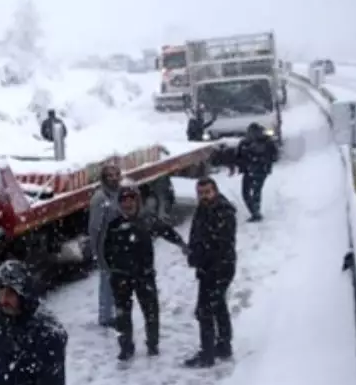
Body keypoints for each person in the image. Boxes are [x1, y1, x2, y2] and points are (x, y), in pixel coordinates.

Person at [103, 182, 189, 360]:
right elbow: (106, 249)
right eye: (124, 201)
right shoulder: (114, 224)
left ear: (137, 202)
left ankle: (153, 344)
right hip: (121, 277)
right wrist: (113, 269)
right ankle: (126, 347)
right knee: (122, 316)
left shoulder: (147, 219)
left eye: (131, 200)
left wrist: (181, 244)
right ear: (120, 204)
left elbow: (167, 231)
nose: (128, 204)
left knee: (151, 311)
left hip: (144, 275)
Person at [185, 177, 238, 368]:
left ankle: (207, 354)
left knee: (205, 310)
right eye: (200, 193)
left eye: (207, 192)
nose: (204, 196)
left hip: (218, 268)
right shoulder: (204, 209)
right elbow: (197, 235)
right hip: (210, 267)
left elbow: (219, 244)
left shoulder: (223, 211)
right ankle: (223, 345)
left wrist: (201, 258)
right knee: (218, 305)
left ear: (215, 191)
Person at [86, 161, 122, 327]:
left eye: (116, 175)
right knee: (107, 282)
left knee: (116, 281)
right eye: (110, 176)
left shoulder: (118, 193)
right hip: (105, 247)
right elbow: (95, 228)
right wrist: (97, 251)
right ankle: (105, 317)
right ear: (104, 179)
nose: (114, 178)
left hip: (117, 246)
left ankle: (113, 313)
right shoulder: (100, 198)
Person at [228, 122, 278, 221]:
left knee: (247, 192)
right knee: (256, 191)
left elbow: (237, 157)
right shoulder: (267, 140)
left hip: (250, 170)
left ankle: (255, 212)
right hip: (260, 171)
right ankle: (256, 212)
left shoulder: (245, 142)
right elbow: (275, 156)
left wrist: (238, 164)